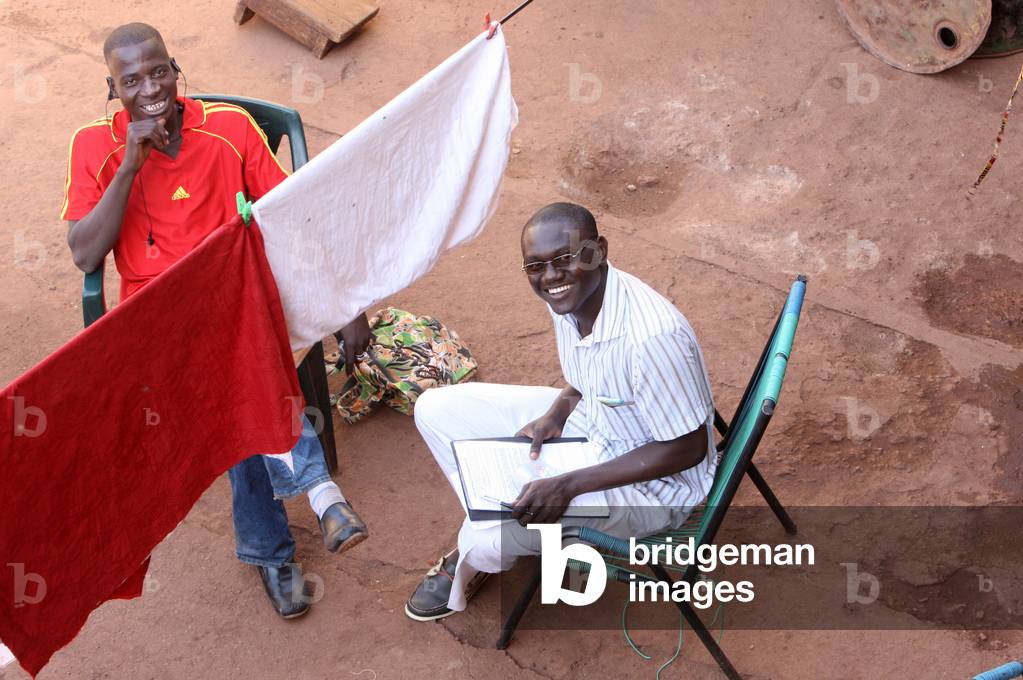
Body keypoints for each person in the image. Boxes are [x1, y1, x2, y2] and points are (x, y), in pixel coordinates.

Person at [62, 23, 368, 619]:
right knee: (228, 363)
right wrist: (130, 164)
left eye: (158, 71)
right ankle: (322, 494)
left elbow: (294, 219)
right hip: (159, 316)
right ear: (112, 89)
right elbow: (83, 254)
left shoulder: (228, 129)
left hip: (240, 294)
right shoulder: (93, 147)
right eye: (131, 81)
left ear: (176, 68)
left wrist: (346, 305)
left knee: (229, 369)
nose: (150, 88)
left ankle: (271, 550)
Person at [405, 202, 718, 621]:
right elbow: (589, 372)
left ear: (598, 251)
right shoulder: (571, 298)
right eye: (535, 266)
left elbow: (689, 448)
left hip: (655, 489)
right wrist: (558, 411)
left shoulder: (652, 339)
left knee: (483, 543)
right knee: (434, 408)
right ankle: (496, 517)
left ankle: (480, 546)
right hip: (599, 424)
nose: (550, 277)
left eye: (563, 260)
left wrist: (568, 485)